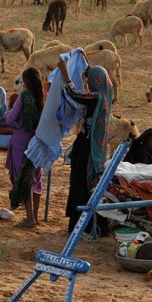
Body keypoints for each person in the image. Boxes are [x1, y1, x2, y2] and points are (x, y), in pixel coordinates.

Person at [56, 61, 114, 232]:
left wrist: (65, 73)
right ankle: (92, 225)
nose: (89, 84)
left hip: (86, 148)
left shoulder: (97, 98)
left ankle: (82, 225)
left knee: (81, 183)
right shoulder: (106, 97)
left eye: (90, 81)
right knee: (90, 185)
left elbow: (74, 94)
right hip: (95, 149)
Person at [6, 67, 44, 228]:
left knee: (24, 179)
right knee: (36, 179)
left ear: (26, 82)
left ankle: (29, 219)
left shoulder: (24, 96)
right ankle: (35, 216)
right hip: (38, 143)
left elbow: (10, 119)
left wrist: (8, 117)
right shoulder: (43, 96)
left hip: (21, 143)